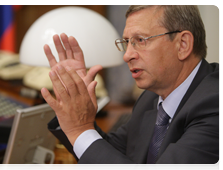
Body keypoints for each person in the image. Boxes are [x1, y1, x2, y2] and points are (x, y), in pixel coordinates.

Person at [41, 5, 220, 170]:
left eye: (140, 40)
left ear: (183, 44)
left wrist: (80, 130)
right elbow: (115, 153)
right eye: (127, 42)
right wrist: (73, 104)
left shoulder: (215, 105)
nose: (127, 56)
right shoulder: (151, 97)